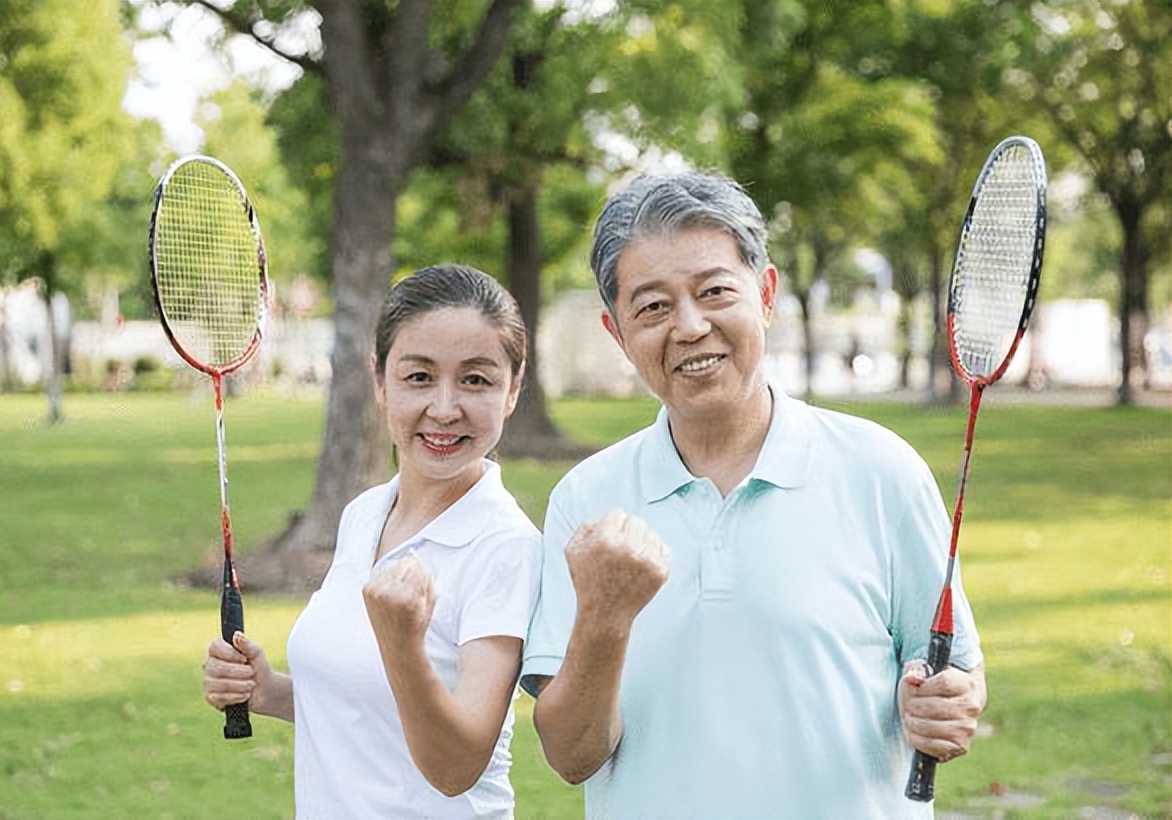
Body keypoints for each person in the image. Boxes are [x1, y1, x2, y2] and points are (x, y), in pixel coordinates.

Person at [521, 172, 987, 819]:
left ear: (765, 294)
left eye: (714, 291)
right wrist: (605, 614)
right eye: (652, 306)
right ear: (617, 332)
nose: (689, 326)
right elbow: (572, 757)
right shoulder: (585, 501)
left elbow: (955, 671)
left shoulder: (883, 471)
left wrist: (950, 702)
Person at [203, 264, 543, 819]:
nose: (445, 407)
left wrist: (402, 645)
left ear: (513, 388)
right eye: (419, 377)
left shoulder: (505, 548)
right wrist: (271, 693)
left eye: (476, 379)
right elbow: (370, 711)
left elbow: (458, 767)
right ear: (380, 381)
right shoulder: (365, 514)